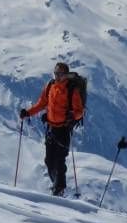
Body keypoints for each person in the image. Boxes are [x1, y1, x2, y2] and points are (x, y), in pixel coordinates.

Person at [19, 62, 85, 196]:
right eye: (55, 73)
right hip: (51, 129)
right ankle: (57, 185)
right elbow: (41, 104)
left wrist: (72, 115)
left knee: (60, 160)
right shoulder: (50, 86)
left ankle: (59, 189)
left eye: (59, 73)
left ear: (65, 75)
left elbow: (80, 111)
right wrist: (28, 112)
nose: (57, 76)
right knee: (49, 161)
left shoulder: (72, 89)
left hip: (64, 129)